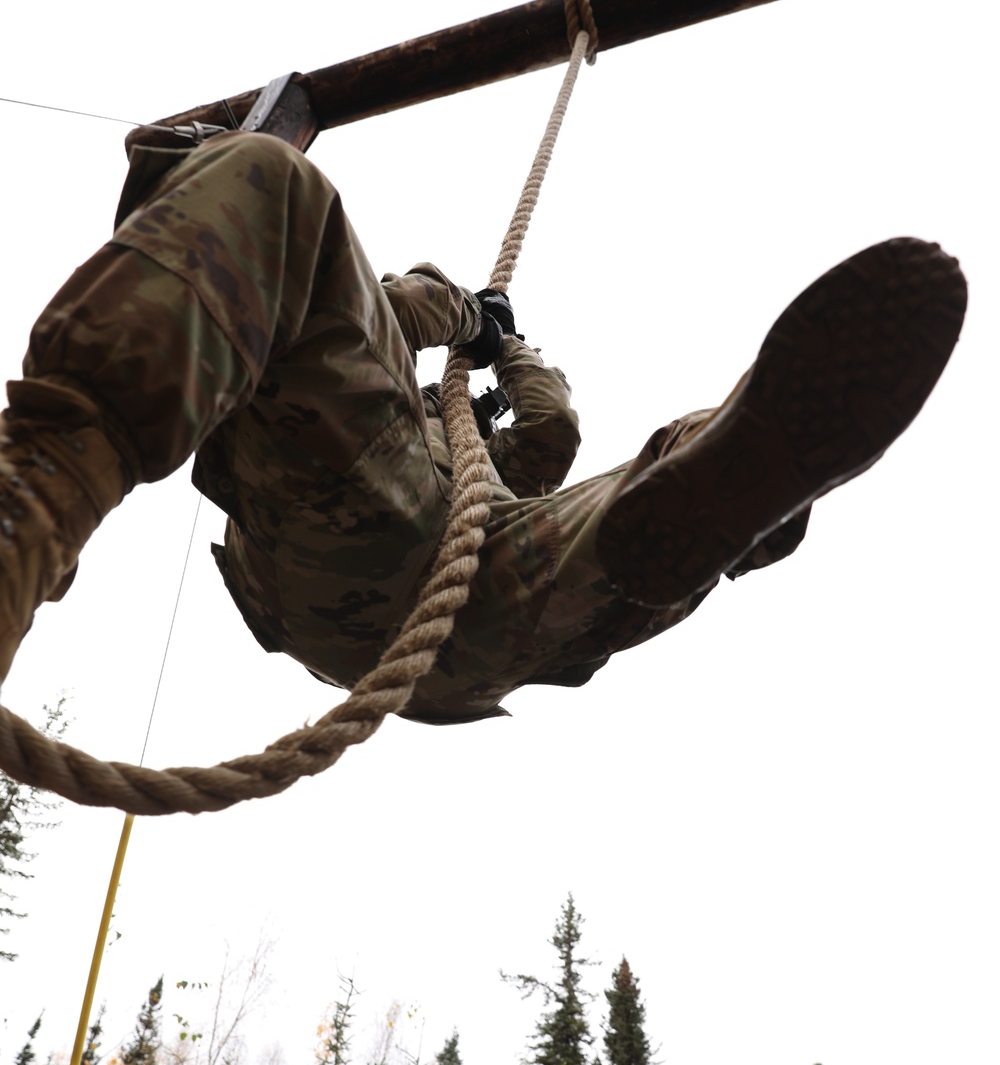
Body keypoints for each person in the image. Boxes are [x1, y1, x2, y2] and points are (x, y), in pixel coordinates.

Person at [0, 130, 967, 722]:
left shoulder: (406, 438)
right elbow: (555, 425)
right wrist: (497, 339)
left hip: (337, 576)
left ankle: (33, 496)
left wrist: (460, 314)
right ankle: (725, 495)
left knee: (273, 184)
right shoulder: (491, 466)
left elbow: (402, 325)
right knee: (627, 500)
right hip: (486, 633)